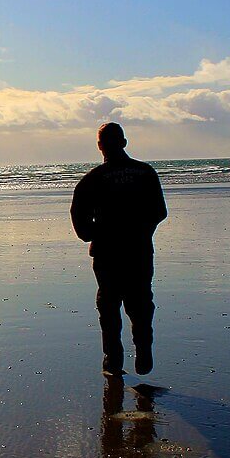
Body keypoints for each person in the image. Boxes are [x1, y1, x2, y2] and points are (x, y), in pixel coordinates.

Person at [71, 122, 167, 376]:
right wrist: (141, 233)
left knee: (109, 304)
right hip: (139, 251)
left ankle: (113, 359)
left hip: (107, 253)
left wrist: (94, 234)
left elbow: (79, 218)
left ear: (100, 146)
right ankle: (143, 350)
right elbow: (159, 212)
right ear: (124, 143)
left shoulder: (92, 180)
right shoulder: (145, 173)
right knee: (140, 302)